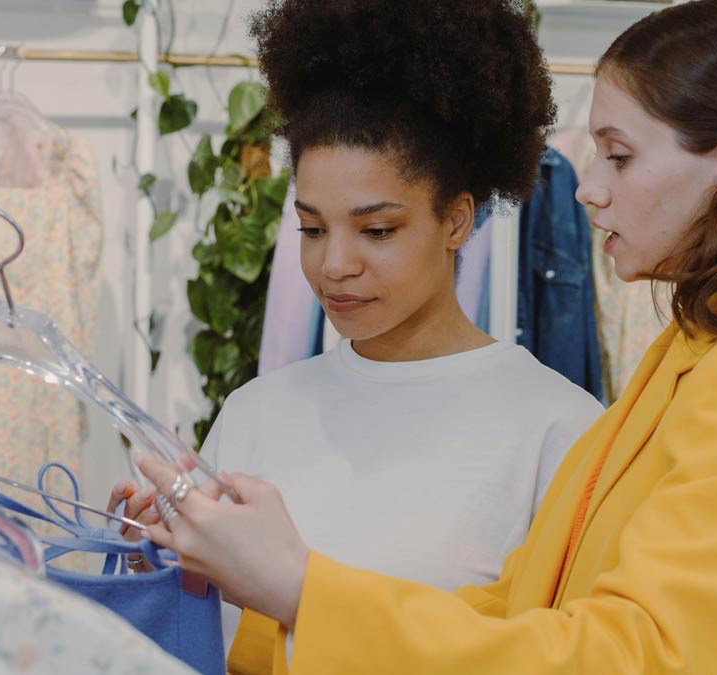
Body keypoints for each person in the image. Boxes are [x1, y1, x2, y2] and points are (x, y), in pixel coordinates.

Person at [134, 0, 717, 672]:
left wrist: (301, 587)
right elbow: (521, 612)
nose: (588, 186)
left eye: (619, 156)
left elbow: (635, 657)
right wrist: (241, 586)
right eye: (311, 227)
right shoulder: (698, 351)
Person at [108, 0, 603, 662]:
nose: (334, 264)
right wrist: (159, 570)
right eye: (312, 228)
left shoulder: (558, 429)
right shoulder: (256, 413)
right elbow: (212, 643)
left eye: (377, 230)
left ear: (457, 220)